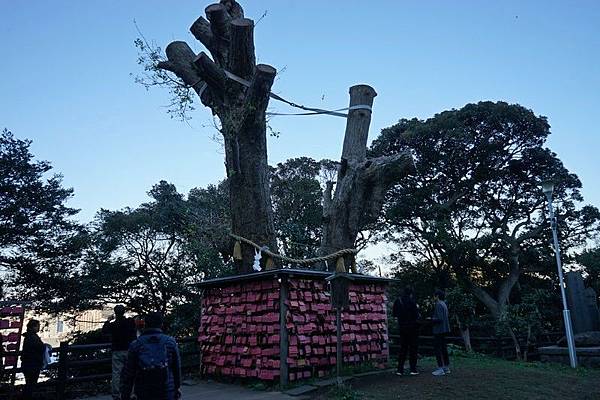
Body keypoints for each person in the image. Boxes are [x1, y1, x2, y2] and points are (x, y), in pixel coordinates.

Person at [120, 312, 181, 400]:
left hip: (143, 390)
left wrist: (126, 394)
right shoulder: (170, 342)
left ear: (145, 324)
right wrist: (177, 387)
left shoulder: (136, 344)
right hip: (167, 389)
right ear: (161, 324)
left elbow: (129, 372)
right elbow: (176, 367)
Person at [102, 305, 137, 400]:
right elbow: (135, 329)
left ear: (115, 313)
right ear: (124, 312)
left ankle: (116, 394)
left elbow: (104, 331)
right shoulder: (129, 322)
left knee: (116, 374)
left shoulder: (113, 325)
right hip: (129, 350)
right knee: (130, 372)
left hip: (117, 350)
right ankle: (132, 393)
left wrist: (108, 320)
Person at [392, 286, 420, 376]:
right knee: (413, 348)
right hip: (412, 328)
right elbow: (416, 316)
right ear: (411, 293)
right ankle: (413, 369)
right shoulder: (412, 302)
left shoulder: (398, 301)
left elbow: (394, 314)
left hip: (402, 327)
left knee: (403, 348)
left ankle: (400, 369)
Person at [21, 319, 45, 400]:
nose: (39, 328)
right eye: (38, 326)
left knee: (29, 384)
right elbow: (39, 348)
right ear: (33, 327)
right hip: (32, 364)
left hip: (28, 364)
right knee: (31, 384)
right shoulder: (32, 337)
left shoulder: (28, 336)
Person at [431, 289, 451, 376]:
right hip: (444, 329)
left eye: (434, 295)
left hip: (439, 330)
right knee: (443, 348)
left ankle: (440, 368)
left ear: (437, 296)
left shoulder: (438, 304)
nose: (433, 297)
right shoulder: (444, 304)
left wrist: (431, 319)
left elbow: (439, 318)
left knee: (438, 349)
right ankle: (446, 367)